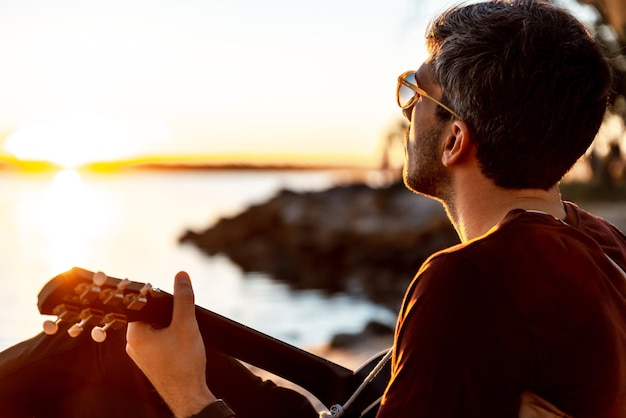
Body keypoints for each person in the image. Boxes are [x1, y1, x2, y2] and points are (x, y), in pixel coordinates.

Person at [125, 0, 626, 417]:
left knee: (92, 365)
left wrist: (187, 393)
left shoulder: (474, 282)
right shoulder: (604, 245)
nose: (405, 111)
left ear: (455, 139)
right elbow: (364, 397)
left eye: (415, 93)